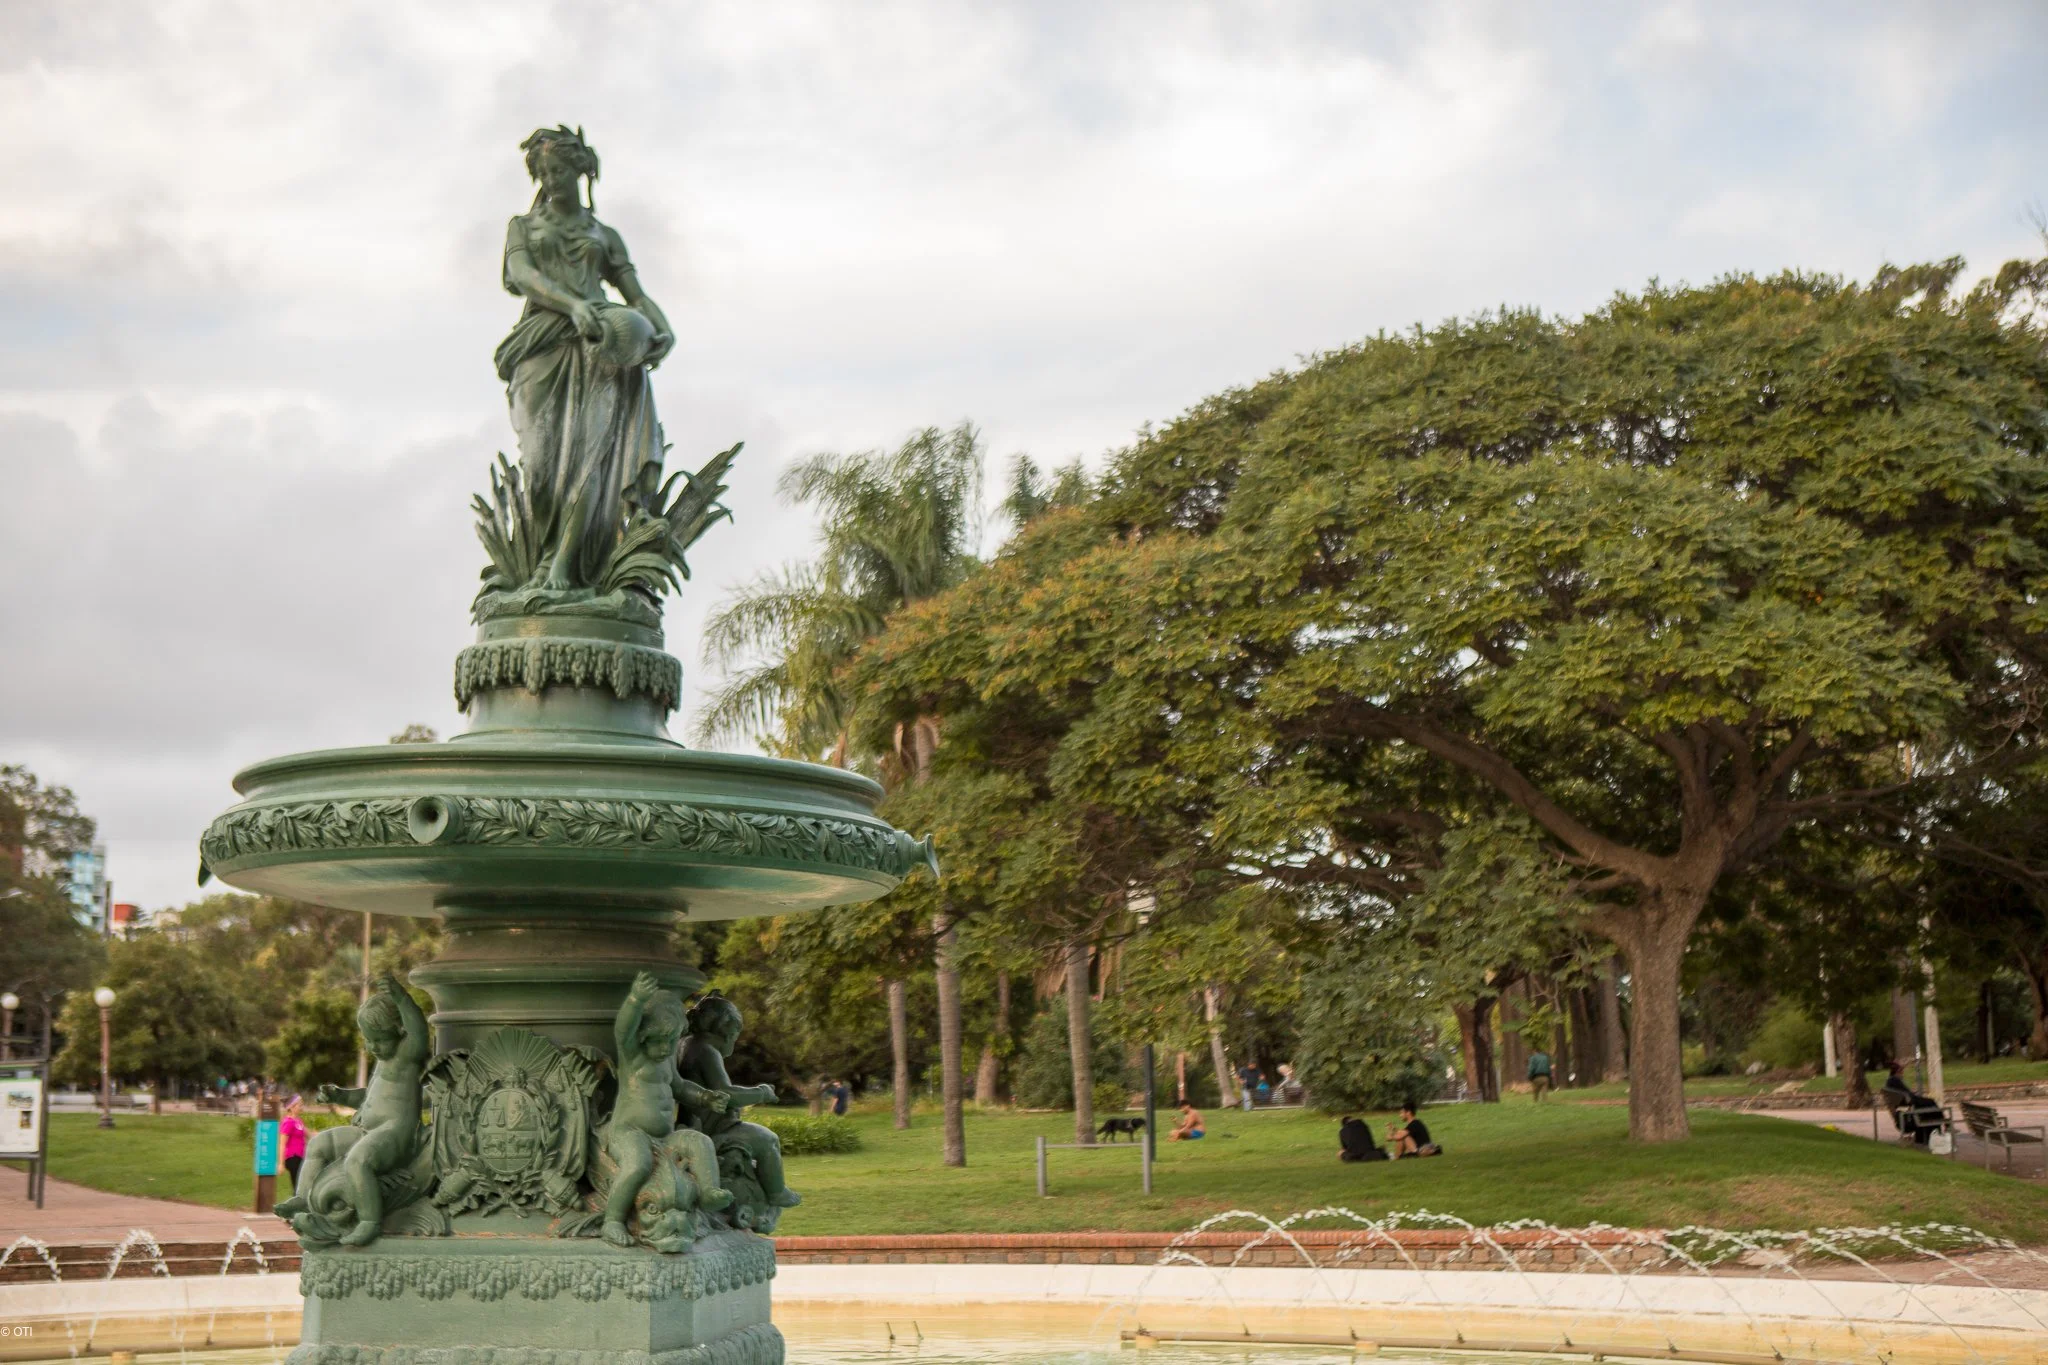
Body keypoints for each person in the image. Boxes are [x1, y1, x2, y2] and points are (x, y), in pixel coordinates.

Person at [602, 972, 733, 1246]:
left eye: (670, 1041)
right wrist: (636, 999)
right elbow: (622, 1029)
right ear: (642, 1037)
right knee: (638, 1164)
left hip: (664, 1137)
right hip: (630, 1132)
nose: (664, 1049)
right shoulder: (633, 1056)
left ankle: (709, 1192)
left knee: (699, 1142)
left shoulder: (666, 1060)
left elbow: (680, 1087)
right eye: (657, 1041)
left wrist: (706, 1097)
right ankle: (612, 1220)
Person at [1882, 1062, 1946, 1146]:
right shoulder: (1895, 1080)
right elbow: (1908, 1094)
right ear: (1898, 1071)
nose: (1902, 1074)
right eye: (1902, 1072)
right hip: (1911, 1104)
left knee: (1930, 1107)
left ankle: (1943, 1126)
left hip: (1907, 1105)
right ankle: (1945, 1125)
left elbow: (1905, 1094)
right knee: (1931, 1102)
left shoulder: (1890, 1081)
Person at [280, 1097, 309, 1193]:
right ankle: (296, 1204)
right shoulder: (288, 1122)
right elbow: (282, 1144)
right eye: (299, 1105)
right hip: (292, 1157)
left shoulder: (298, 1121)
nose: (301, 1107)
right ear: (292, 1107)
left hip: (300, 1157)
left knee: (300, 1185)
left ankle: (298, 1204)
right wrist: (281, 1164)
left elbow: (308, 1134)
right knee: (298, 1185)